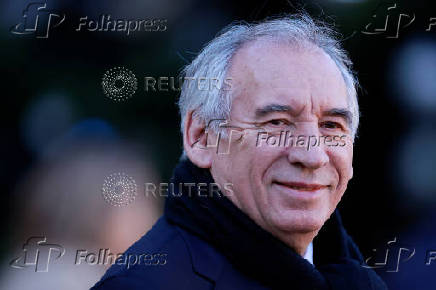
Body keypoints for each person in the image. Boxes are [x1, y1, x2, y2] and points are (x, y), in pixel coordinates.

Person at [92, 13, 388, 290]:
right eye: (277, 123)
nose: (312, 156)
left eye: (331, 126)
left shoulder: (352, 276)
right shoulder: (143, 284)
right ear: (201, 138)